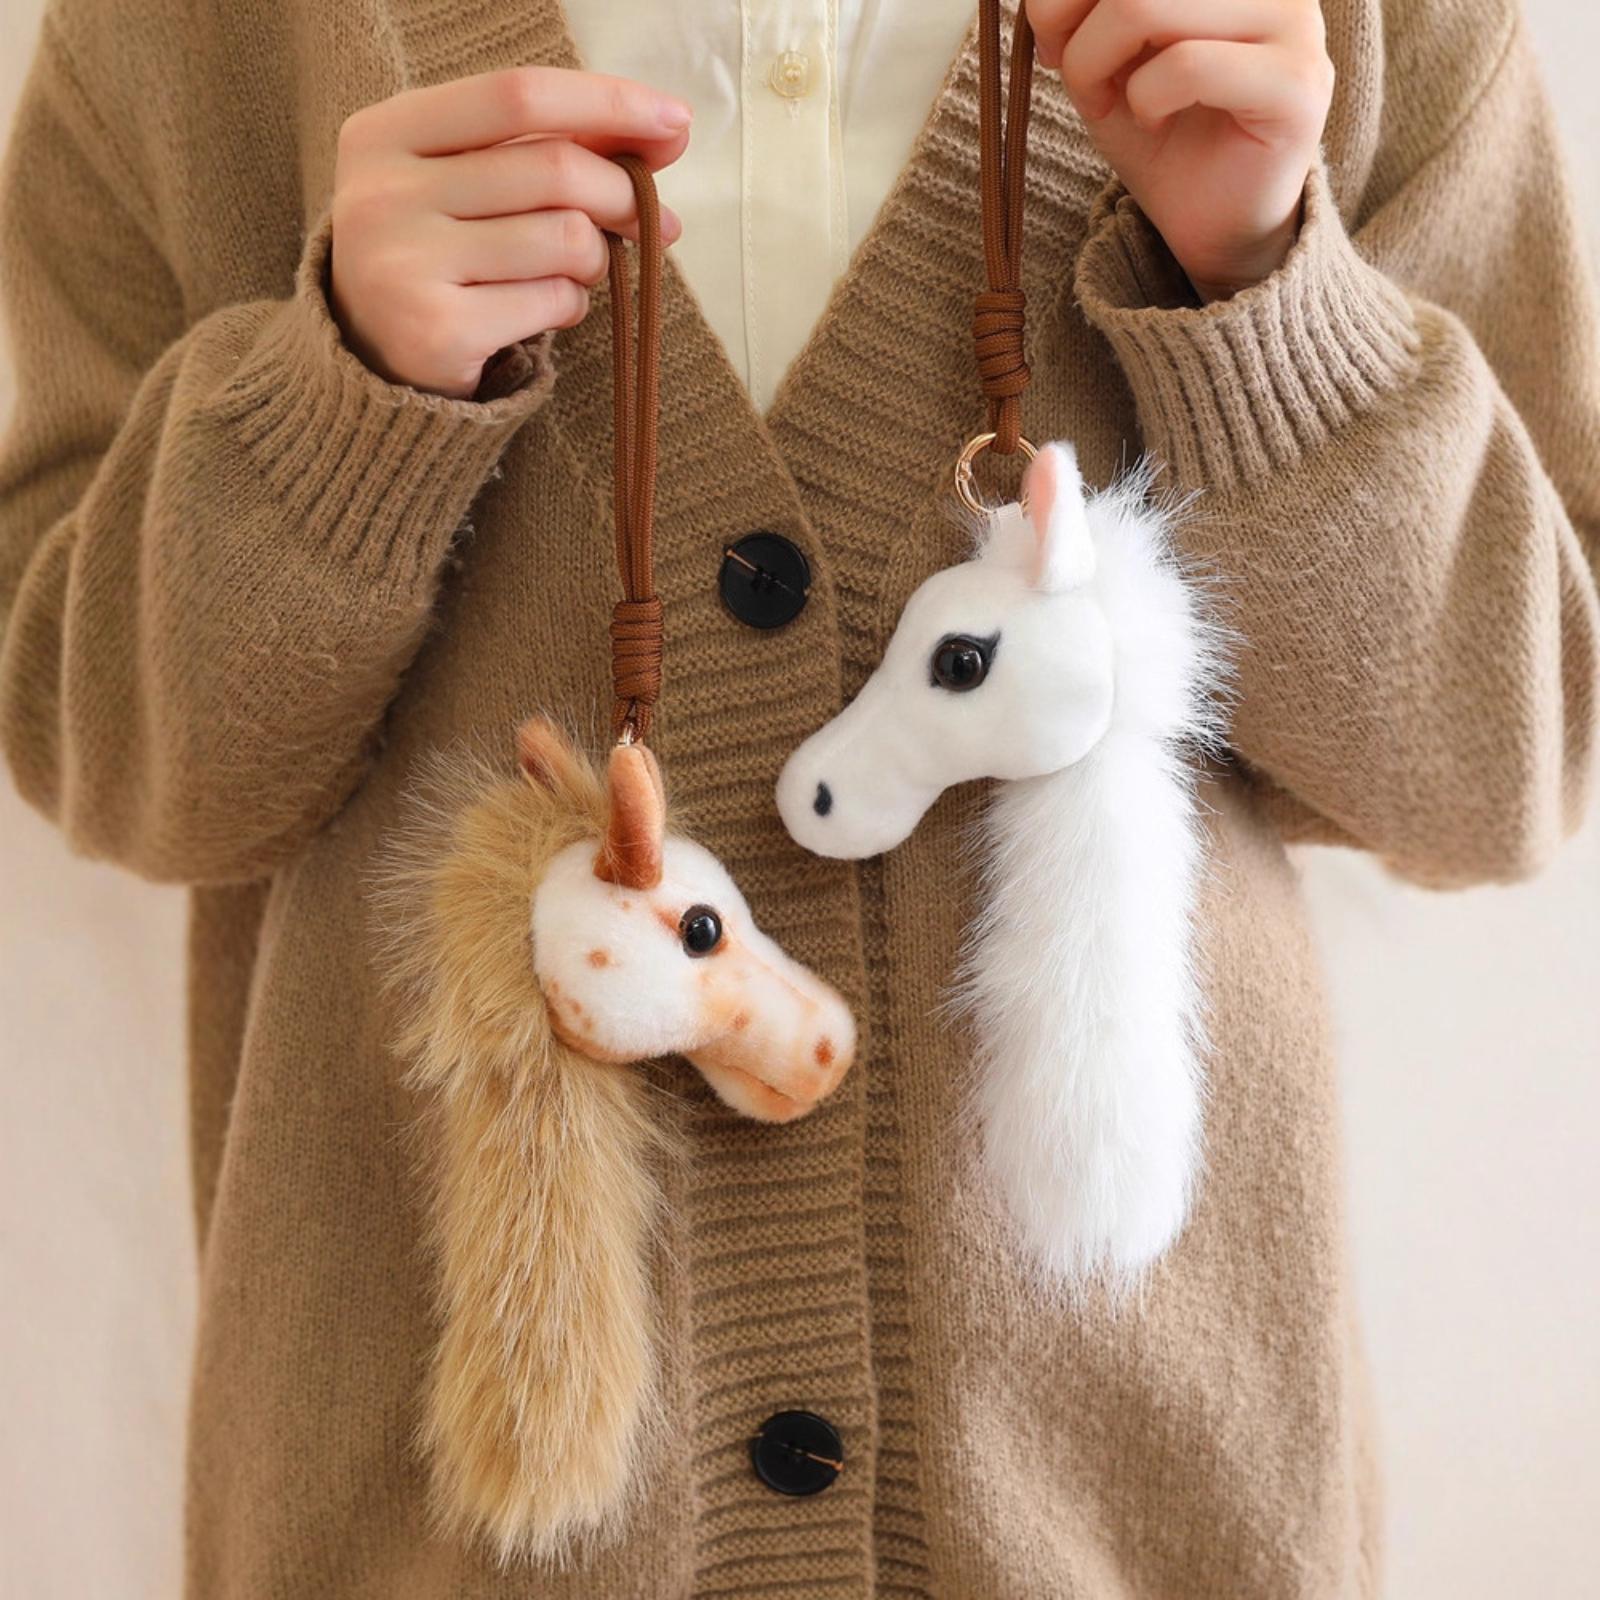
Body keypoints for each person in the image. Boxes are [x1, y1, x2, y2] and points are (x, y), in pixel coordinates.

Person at [1, 0, 1596, 1593]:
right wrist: (337, 408)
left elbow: (1508, 757)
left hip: (1125, 1534)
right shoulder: (190, 36)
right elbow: (111, 761)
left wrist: (1267, 305)